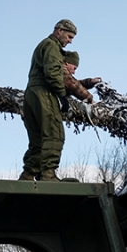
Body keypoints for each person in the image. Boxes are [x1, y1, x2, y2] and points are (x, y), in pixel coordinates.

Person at [19, 19, 78, 182]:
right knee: (54, 133)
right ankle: (48, 174)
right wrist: (61, 95)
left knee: (37, 138)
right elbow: (52, 73)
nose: (70, 41)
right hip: (44, 92)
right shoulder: (52, 46)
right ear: (59, 31)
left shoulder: (43, 45)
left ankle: (29, 174)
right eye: (69, 36)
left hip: (31, 93)